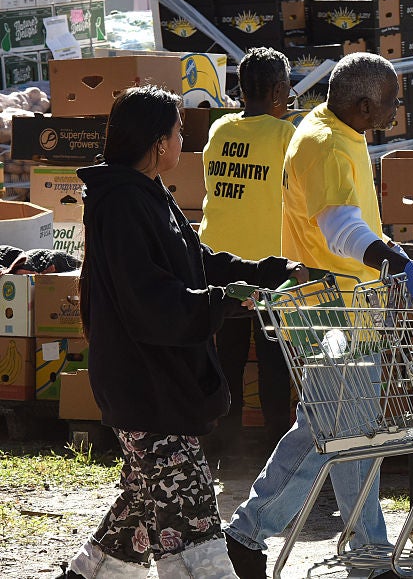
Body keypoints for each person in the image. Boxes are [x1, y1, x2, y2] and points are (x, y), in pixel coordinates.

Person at [64, 85, 305, 578]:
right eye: (178, 132)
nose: (182, 142)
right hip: (144, 382)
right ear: (158, 143)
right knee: (191, 519)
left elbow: (198, 262)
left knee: (142, 506)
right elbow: (150, 298)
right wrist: (222, 301)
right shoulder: (121, 203)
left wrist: (266, 273)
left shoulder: (149, 194)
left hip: (161, 379)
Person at [224, 53, 413, 579]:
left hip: (345, 310)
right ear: (364, 103)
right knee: (329, 435)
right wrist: (400, 263)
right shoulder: (324, 144)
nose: (397, 110)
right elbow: (340, 230)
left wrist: (392, 251)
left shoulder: (335, 129)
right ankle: (247, 533)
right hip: (331, 315)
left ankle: (368, 552)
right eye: (391, 101)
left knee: (351, 434)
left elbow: (355, 220)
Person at [199, 47, 297, 463]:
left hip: (218, 263)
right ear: (278, 90)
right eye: (288, 87)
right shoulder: (286, 135)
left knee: (229, 357)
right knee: (274, 359)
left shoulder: (219, 130)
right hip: (267, 267)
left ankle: (225, 449)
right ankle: (276, 453)